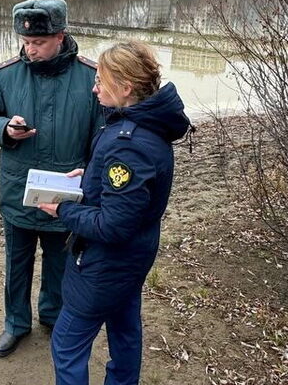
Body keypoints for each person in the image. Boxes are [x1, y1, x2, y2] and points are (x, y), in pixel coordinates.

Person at [38, 40, 191, 385]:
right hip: (133, 258)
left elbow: (114, 224)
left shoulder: (129, 143)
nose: (94, 88)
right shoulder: (140, 125)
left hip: (105, 264)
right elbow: (127, 193)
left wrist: (63, 210)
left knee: (66, 343)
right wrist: (90, 176)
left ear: (125, 88)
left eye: (100, 82)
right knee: (124, 330)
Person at [0, 0, 103, 358]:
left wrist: (91, 178)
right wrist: (4, 129)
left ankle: (52, 317)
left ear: (60, 36)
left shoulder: (90, 77)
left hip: (65, 193)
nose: (30, 49)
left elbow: (103, 136)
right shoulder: (6, 74)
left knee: (59, 262)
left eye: (39, 42)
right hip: (19, 192)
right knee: (17, 264)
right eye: (26, 42)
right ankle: (15, 323)